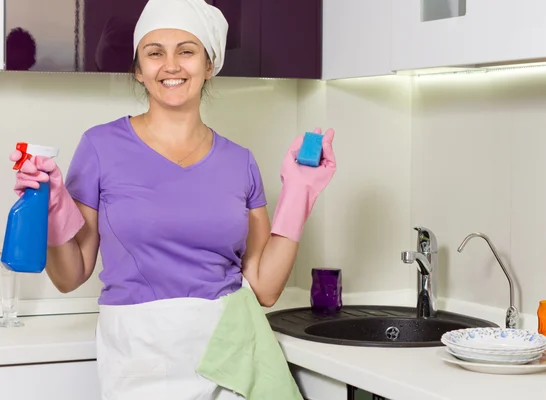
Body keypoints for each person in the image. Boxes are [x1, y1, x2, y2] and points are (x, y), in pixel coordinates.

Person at [9, 0, 336, 398]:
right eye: (154, 52)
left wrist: (298, 194)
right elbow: (69, 275)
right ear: (138, 68)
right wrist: (54, 210)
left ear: (209, 64)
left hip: (231, 359)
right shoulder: (100, 147)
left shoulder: (240, 161)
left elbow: (265, 287)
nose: (171, 65)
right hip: (140, 362)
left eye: (186, 51)